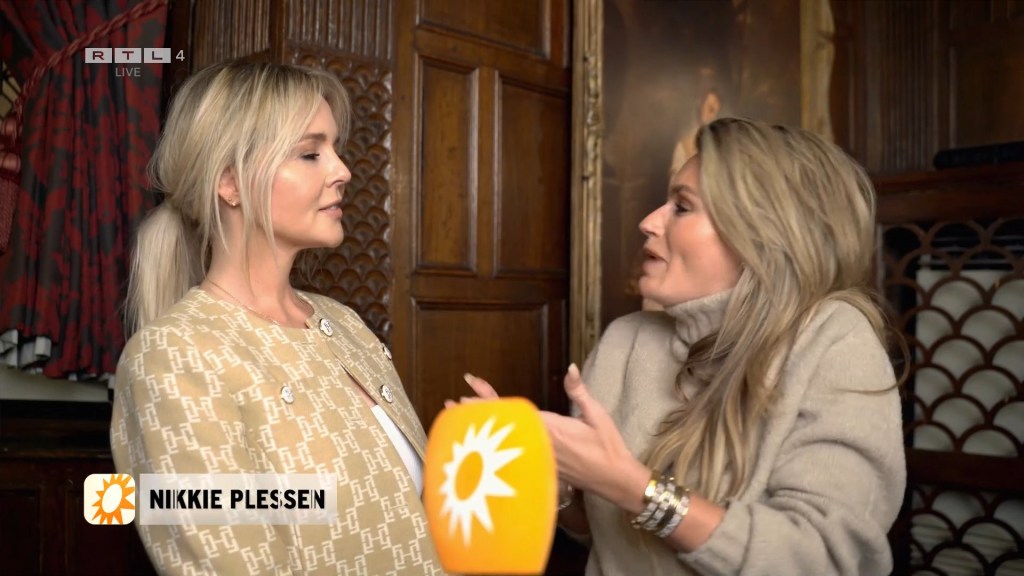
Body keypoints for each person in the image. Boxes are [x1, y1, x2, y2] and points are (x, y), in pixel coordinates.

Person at [463, 117, 906, 575]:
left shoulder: (835, 341)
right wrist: (549, 478)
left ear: (762, 233)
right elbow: (601, 532)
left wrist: (634, 488)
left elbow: (822, 559)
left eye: (682, 206)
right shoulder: (625, 341)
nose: (648, 221)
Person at [110, 60, 445, 575]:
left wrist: (500, 460)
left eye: (335, 148)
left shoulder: (345, 324)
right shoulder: (171, 359)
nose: (342, 170)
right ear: (230, 182)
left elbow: (410, 522)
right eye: (310, 153)